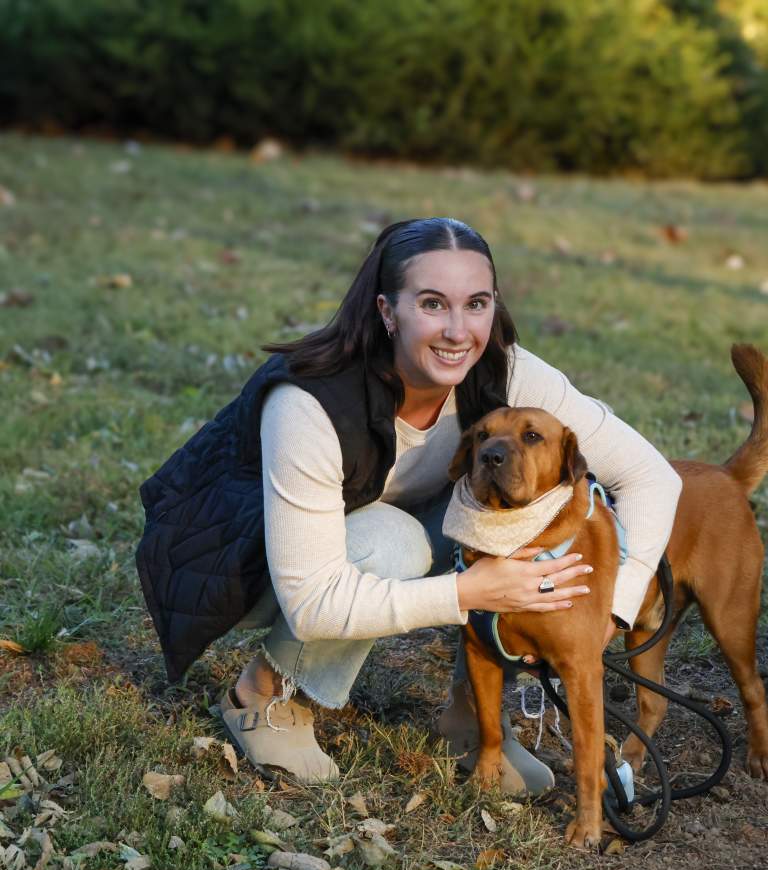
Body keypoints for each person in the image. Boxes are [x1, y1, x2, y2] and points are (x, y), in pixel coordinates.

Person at [136, 217, 682, 789]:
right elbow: (313, 602)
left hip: (373, 530)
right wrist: (473, 591)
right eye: (431, 304)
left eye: (476, 303)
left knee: (515, 515)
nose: (457, 330)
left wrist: (611, 614)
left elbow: (651, 476)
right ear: (387, 310)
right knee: (392, 541)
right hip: (238, 563)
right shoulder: (309, 402)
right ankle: (264, 695)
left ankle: (474, 712)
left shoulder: (504, 369)